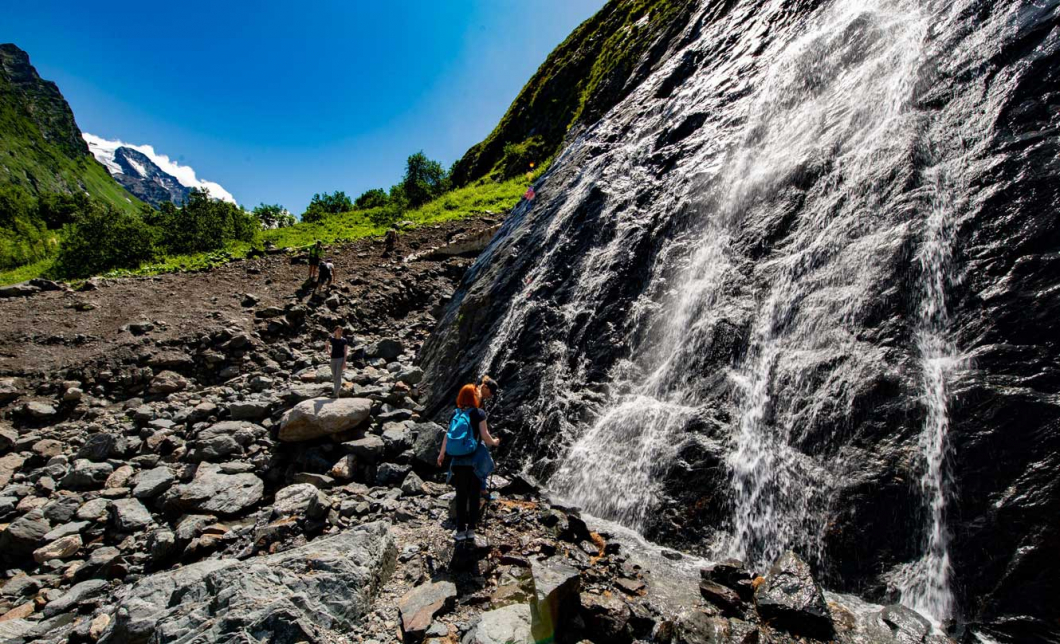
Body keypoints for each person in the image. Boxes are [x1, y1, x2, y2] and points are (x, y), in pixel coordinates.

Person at [438, 376, 500, 541]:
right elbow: (486, 437)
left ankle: (459, 532)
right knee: (473, 496)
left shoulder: (455, 413)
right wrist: (495, 442)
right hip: (473, 461)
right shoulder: (479, 413)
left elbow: (447, 435)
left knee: (460, 496)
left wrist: (442, 453)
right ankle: (471, 530)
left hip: (457, 461)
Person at [324, 326, 347, 397]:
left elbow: (345, 352)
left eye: (341, 330)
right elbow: (326, 344)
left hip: (340, 359)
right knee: (334, 376)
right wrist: (328, 352)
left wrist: (344, 362)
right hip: (333, 359)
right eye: (338, 330)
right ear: (335, 331)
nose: (340, 332)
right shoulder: (332, 339)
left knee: (338, 376)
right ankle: (335, 391)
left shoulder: (344, 340)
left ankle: (336, 393)